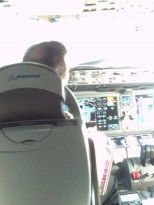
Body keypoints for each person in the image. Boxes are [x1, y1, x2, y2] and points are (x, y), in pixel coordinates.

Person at [22, 41, 119, 205]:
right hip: (70, 191)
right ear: (61, 74)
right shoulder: (62, 108)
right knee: (111, 181)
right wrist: (99, 141)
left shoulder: (8, 105)